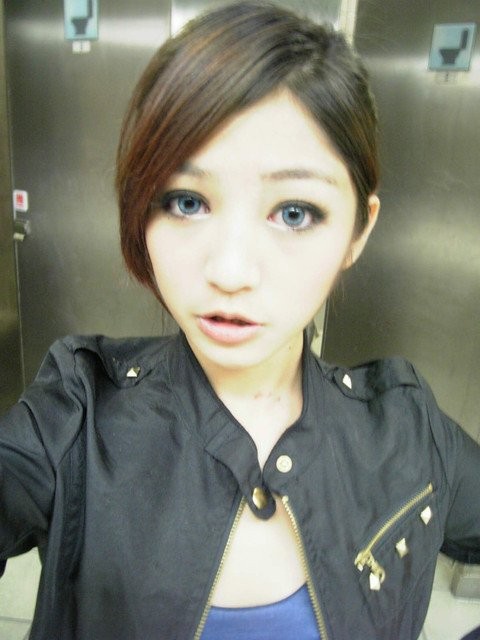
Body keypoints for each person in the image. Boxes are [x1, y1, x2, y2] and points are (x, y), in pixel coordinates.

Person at [1, 2, 479, 638]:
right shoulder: (75, 418)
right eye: (186, 201)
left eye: (294, 212)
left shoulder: (407, 431)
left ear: (358, 231)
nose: (230, 271)